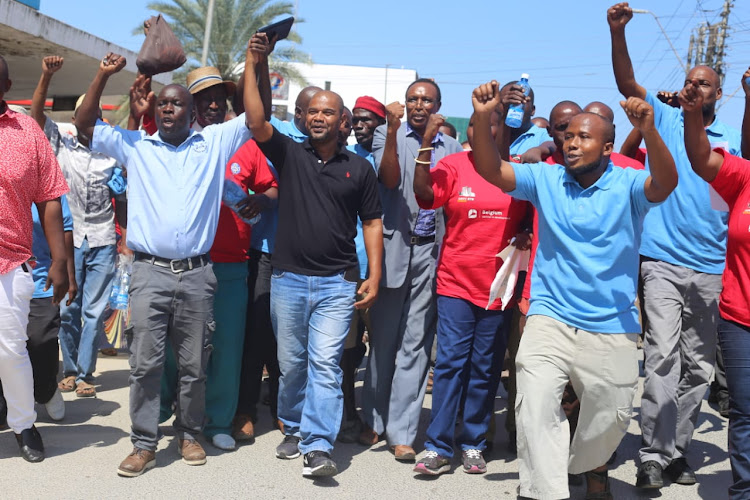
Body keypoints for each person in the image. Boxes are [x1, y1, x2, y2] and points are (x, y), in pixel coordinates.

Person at [471, 80, 677, 499]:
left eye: (584, 137)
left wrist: (651, 132)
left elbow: (666, 183)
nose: (571, 143)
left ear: (606, 148)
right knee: (535, 407)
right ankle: (546, 491)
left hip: (612, 324)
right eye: (567, 136)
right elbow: (491, 169)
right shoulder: (545, 179)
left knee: (612, 416)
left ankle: (584, 466)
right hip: (550, 318)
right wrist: (480, 116)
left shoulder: (628, 185)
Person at [75, 38, 262, 476]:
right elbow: (85, 125)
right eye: (162, 104)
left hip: (198, 275)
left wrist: (256, 61)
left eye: (177, 104)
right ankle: (143, 443)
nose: (168, 110)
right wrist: (103, 75)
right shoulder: (136, 147)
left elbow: (256, 118)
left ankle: (190, 434)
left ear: (192, 112)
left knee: (196, 364)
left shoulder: (212, 144)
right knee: (145, 363)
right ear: (155, 111)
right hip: (149, 274)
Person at [609, 2, 742, 488]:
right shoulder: (663, 117)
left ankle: (676, 448)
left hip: (713, 267)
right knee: (663, 356)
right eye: (689, 80)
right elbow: (627, 85)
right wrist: (617, 31)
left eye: (703, 83)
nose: (693, 86)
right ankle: (652, 454)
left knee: (699, 369)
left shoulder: (729, 140)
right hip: (662, 260)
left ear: (718, 95)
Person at [242, 47, 383, 478]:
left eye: (329, 112)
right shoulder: (289, 154)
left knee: (325, 363)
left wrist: (374, 274)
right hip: (287, 280)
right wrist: (253, 63)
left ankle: (318, 445)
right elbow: (254, 120)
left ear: (342, 121)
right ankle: (294, 423)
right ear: (303, 118)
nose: (320, 117)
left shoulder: (359, 169)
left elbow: (373, 222)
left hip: (337, 283)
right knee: (292, 365)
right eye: (313, 112)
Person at [412, 104, 529, 476]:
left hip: (498, 287)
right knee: (449, 365)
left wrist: (526, 231)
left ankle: (474, 442)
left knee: (486, 367)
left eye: (490, 126)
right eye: (477, 126)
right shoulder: (455, 166)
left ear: (502, 131)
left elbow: (531, 215)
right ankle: (437, 445)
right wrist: (426, 144)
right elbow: (425, 196)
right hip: (456, 283)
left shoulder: (516, 172)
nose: (483, 132)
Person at [360, 78, 463, 461]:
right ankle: (373, 419)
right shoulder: (385, 137)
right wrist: (391, 130)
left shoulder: (452, 148)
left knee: (416, 342)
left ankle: (401, 431)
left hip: (432, 254)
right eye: (412, 100)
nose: (418, 106)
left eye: (426, 100)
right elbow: (390, 178)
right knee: (384, 341)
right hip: (391, 251)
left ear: (438, 105)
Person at [30, 56, 125, 399]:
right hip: (69, 241)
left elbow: (124, 197)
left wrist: (124, 235)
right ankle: (68, 369)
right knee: (68, 309)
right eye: (87, 117)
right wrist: (45, 77)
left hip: (102, 238)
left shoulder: (110, 154)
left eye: (97, 119)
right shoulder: (61, 142)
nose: (91, 124)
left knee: (94, 310)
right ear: (75, 120)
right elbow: (36, 116)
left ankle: (85, 373)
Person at [233, 84, 322, 443]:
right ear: (296, 113)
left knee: (293, 342)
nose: (310, 117)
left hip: (305, 259)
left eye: (318, 110)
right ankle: (246, 409)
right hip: (266, 253)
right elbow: (260, 114)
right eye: (304, 110)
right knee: (256, 334)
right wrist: (262, 58)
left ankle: (286, 409)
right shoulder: (279, 134)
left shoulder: (329, 147)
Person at [680, 69, 750, 500]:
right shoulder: (743, 177)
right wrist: (691, 114)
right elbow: (701, 158)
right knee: (745, 414)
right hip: (741, 317)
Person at [0, 54, 70, 463]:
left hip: (11, 262)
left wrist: (59, 261)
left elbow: (49, 199)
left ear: (6, 87)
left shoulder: (26, 130)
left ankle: (24, 425)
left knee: (11, 350)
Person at [0, 194, 76, 423]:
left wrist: (69, 274)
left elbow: (66, 230)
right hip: (5, 280)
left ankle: (46, 388)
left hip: (41, 279)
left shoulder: (46, 188)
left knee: (40, 340)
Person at [337, 95, 387, 443]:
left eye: (368, 119)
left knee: (382, 348)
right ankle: (345, 412)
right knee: (346, 350)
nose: (360, 124)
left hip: (382, 269)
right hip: (348, 268)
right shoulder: (349, 159)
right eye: (356, 119)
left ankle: (377, 417)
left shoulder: (388, 159)